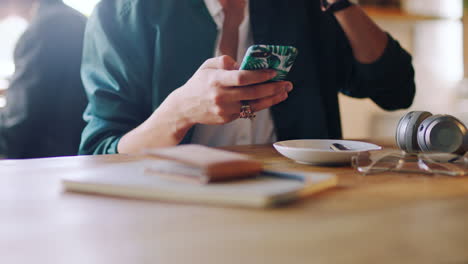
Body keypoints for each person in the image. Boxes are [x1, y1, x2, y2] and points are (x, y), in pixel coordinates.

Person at [79, 0, 416, 155]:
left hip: (300, 203)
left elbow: (396, 90)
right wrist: (178, 112)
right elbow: (100, 153)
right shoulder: (123, 12)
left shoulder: (304, 9)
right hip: (175, 213)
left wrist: (342, 3)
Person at [0, 0, 88, 158]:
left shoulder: (44, 29)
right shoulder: (75, 19)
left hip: (47, 159)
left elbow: (19, 122)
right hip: (78, 152)